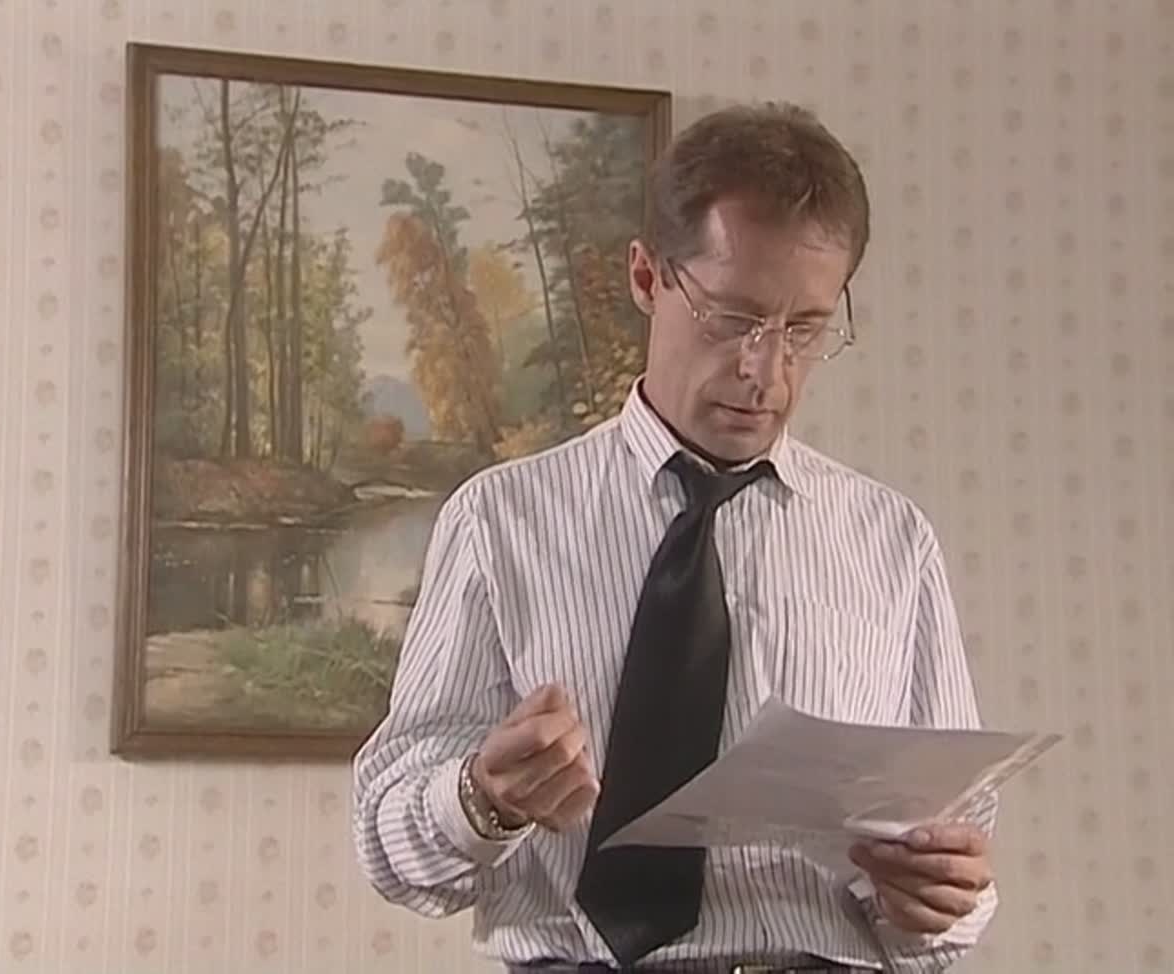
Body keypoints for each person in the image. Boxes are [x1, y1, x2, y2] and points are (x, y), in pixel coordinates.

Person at [352, 102, 997, 973]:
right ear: (647, 277)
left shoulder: (892, 543)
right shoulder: (498, 522)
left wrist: (941, 904)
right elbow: (392, 852)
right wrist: (482, 798)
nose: (766, 371)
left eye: (805, 329)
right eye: (732, 318)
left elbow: (953, 874)